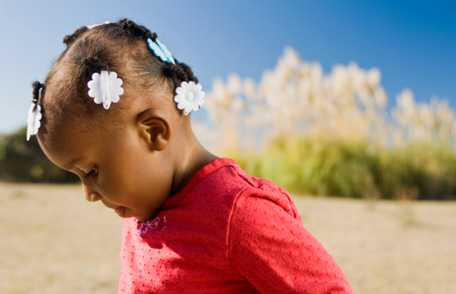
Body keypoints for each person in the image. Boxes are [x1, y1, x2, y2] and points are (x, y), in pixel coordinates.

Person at [26, 18, 352, 293]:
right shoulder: (143, 206)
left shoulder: (239, 215)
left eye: (92, 171)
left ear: (153, 132)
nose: (88, 194)